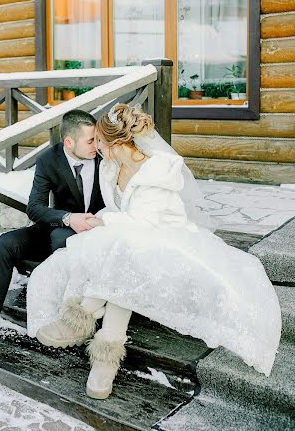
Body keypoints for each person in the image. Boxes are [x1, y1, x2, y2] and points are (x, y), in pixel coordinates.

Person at [25, 103, 282, 400]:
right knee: (117, 252)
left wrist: (103, 221)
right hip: (132, 239)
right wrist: (101, 220)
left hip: (166, 241)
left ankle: (92, 326)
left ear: (119, 143)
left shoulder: (157, 173)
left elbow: (142, 224)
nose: (97, 149)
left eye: (102, 143)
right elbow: (120, 213)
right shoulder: (111, 165)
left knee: (124, 254)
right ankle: (96, 334)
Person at [0, 109, 105, 358]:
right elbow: (35, 207)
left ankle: (72, 321)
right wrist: (67, 218)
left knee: (60, 240)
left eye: (97, 139)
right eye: (90, 140)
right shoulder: (49, 160)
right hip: (60, 227)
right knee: (6, 243)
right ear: (68, 142)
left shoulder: (103, 157)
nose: (96, 145)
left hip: (98, 235)